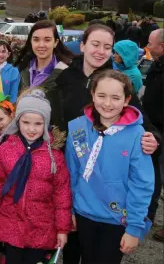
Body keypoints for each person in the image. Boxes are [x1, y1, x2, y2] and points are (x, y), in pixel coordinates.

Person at [53, 24, 161, 264]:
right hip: (79, 200)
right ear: (82, 45)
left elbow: (143, 177)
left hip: (113, 213)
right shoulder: (63, 79)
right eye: (95, 44)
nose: (100, 51)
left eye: (107, 47)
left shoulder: (116, 83)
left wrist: (155, 139)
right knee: (72, 255)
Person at [66, 70, 154, 263]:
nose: (107, 103)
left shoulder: (137, 135)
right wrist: (69, 211)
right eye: (101, 96)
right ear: (92, 95)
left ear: (126, 100)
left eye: (115, 97)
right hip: (82, 213)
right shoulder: (77, 128)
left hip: (116, 220)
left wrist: (134, 228)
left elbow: (142, 184)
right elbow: (70, 173)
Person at [0, 89, 72, 263]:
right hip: (11, 221)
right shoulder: (6, 150)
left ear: (46, 124)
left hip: (40, 226)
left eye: (38, 124)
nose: (31, 129)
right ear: (17, 122)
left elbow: (62, 195)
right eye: (26, 122)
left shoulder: (55, 157)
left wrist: (62, 229)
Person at [142, 28, 164, 242]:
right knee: (152, 176)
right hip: (152, 129)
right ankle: (147, 214)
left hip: (161, 129)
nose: (147, 46)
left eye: (150, 42)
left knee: (159, 176)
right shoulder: (155, 66)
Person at [16, 20, 73, 96]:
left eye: (47, 40)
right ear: (31, 42)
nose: (41, 45)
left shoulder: (65, 73)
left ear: (55, 43)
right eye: (36, 40)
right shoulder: (23, 68)